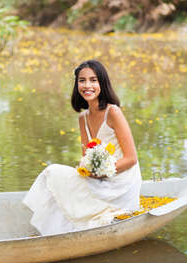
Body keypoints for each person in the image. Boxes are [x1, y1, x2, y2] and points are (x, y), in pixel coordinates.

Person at [22, 60, 141, 235]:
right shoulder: (83, 118)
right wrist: (87, 170)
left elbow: (131, 158)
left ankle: (77, 224)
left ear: (102, 83)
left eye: (93, 80)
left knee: (53, 171)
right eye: (82, 80)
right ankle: (58, 232)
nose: (87, 85)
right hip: (98, 178)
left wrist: (103, 171)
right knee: (55, 176)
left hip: (121, 181)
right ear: (77, 84)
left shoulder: (113, 112)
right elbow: (86, 157)